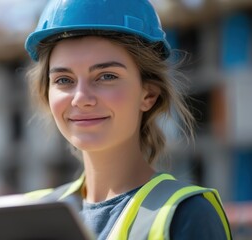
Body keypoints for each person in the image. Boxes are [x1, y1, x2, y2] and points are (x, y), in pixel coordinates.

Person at [23, 0, 232, 239]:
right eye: (63, 80)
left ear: (149, 94)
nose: (80, 98)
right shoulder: (30, 214)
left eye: (106, 76)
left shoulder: (186, 213)